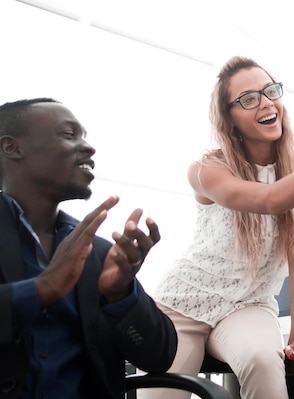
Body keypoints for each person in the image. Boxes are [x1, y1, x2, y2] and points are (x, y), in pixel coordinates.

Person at [146, 55, 294, 399]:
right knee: (167, 393)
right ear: (229, 119)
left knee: (263, 362)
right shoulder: (206, 169)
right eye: (248, 99)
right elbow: (271, 199)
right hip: (183, 304)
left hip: (249, 306)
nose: (266, 103)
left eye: (270, 91)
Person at [0, 98, 177, 398]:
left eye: (84, 136)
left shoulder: (98, 253)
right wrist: (41, 289)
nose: (89, 148)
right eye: (69, 135)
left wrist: (121, 295)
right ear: (12, 148)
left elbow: (158, 356)